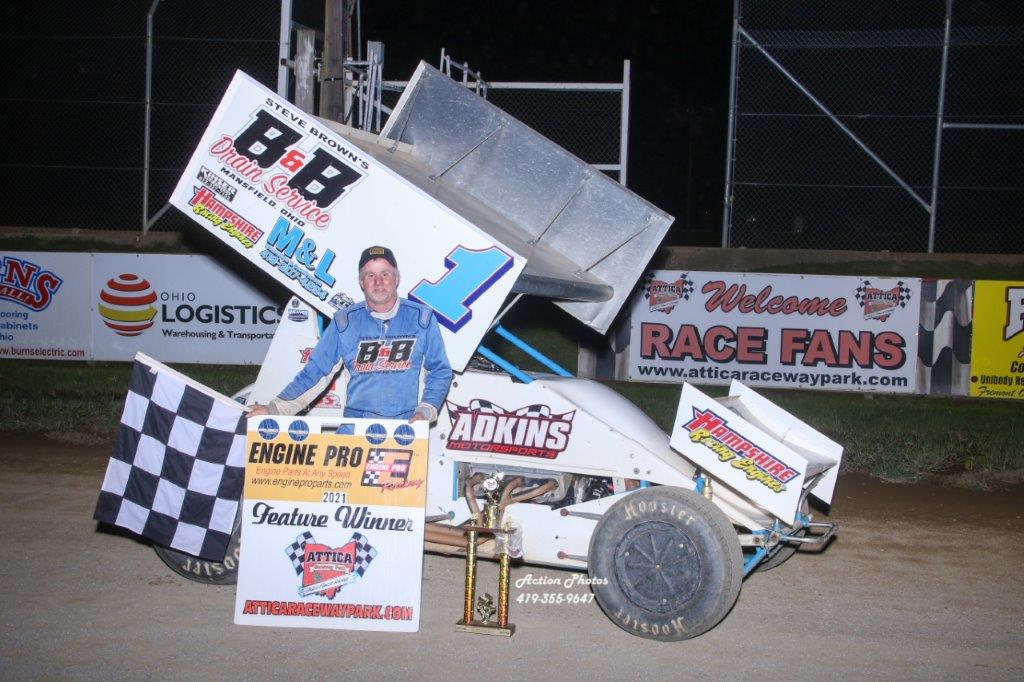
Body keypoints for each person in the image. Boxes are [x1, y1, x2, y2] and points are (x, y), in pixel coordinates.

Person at [247, 245, 452, 422]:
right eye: (370, 275)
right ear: (361, 282)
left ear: (396, 278)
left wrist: (425, 410)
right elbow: (317, 371)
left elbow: (439, 370)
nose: (378, 282)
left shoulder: (422, 318)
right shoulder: (345, 322)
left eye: (385, 274)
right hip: (357, 425)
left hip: (405, 425)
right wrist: (275, 409)